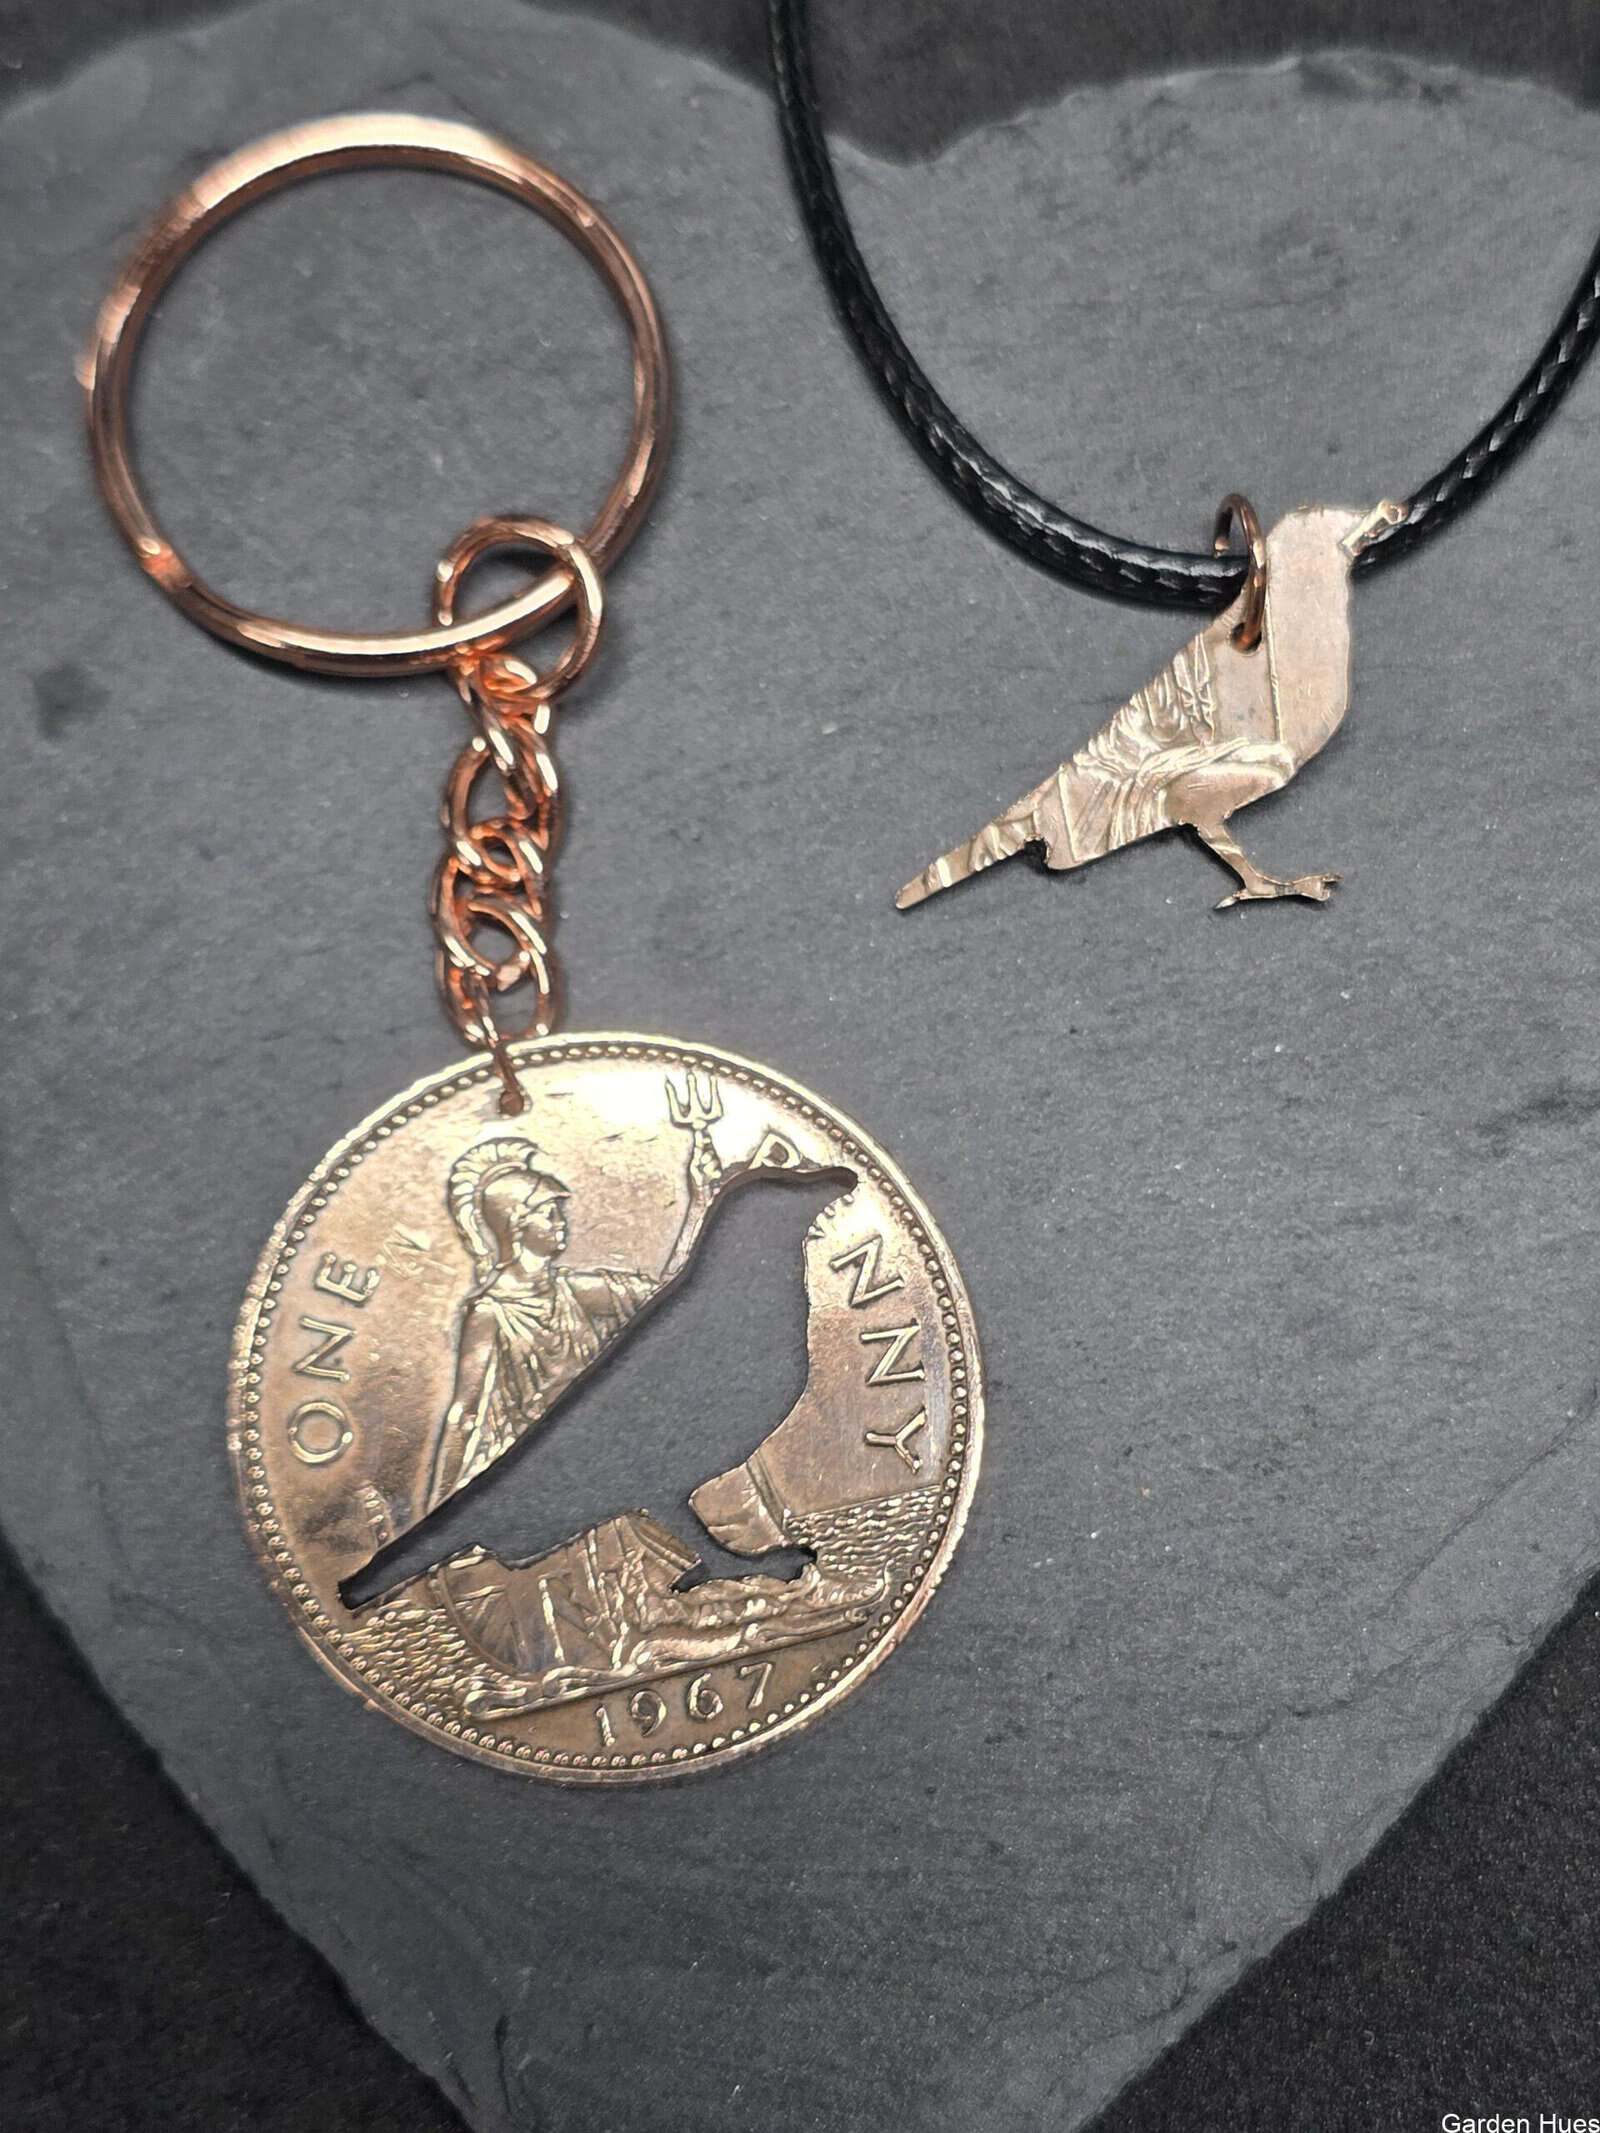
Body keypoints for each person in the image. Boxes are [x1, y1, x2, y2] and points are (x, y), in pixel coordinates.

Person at [421, 1117, 720, 1516]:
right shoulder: (490, 1312)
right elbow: (465, 1413)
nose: (561, 1222)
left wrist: (701, 1201)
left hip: (601, 1451)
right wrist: (435, 1508)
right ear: (517, 1224)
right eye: (549, 1213)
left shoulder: (578, 1291)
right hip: (530, 1474)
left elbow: (669, 1294)